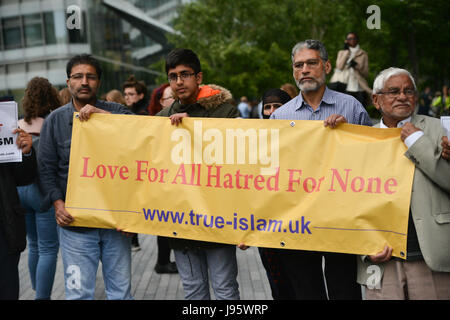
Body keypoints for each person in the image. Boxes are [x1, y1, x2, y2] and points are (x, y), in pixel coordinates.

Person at [270, 39, 372, 300]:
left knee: (345, 291)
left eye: (311, 63)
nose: (304, 70)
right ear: (293, 71)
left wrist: (349, 135)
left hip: (341, 219)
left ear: (326, 66)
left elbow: (372, 162)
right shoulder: (279, 117)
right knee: (306, 292)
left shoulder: (351, 108)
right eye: (298, 65)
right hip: (298, 221)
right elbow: (269, 171)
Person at [38, 54, 134, 300]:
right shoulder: (55, 120)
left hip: (116, 223)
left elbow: (140, 139)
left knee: (121, 293)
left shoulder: (118, 112)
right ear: (68, 81)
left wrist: (102, 116)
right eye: (78, 76)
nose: (84, 82)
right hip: (75, 224)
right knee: (78, 294)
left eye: (90, 77)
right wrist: (57, 204)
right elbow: (46, 168)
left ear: (98, 82)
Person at [357, 67, 450, 299]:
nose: (402, 96)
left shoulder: (440, 129)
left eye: (408, 91)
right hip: (379, 262)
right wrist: (364, 251)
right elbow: (349, 203)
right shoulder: (360, 141)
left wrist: (417, 141)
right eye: (393, 91)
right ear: (376, 100)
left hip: (432, 257)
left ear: (416, 98)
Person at [156, 48, 240, 300]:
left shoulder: (226, 111)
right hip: (181, 222)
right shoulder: (164, 117)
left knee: (225, 289)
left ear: (199, 77)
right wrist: (104, 119)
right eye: (173, 76)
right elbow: (135, 135)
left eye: (185, 74)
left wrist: (192, 128)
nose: (179, 82)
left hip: (218, 219)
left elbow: (238, 159)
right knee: (193, 292)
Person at [17, 77, 61, 300]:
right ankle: (41, 297)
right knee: (49, 248)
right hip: (42, 191)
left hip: (20, 190)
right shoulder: (52, 122)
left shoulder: (18, 124)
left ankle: (36, 290)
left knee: (34, 245)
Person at [255, 88, 296, 299]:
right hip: (266, 229)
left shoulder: (301, 139)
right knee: (278, 285)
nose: (271, 112)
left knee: (302, 284)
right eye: (267, 107)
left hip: (298, 226)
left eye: (277, 107)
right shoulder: (252, 142)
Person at [0, 127, 35, 300]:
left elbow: (25, 177)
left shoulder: (5, 126)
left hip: (4, 231)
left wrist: (26, 152)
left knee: (7, 290)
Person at [333, 32, 372, 107]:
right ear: (346, 41)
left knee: (360, 110)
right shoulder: (341, 52)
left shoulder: (363, 54)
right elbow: (339, 67)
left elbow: (366, 73)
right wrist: (346, 52)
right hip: (344, 86)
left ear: (357, 40)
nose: (352, 40)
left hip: (359, 87)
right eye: (349, 39)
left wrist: (356, 65)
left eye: (354, 38)